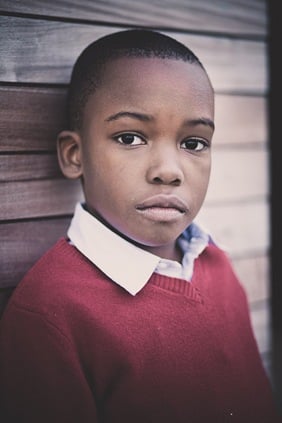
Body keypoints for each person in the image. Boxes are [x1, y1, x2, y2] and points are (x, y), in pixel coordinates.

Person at [0, 28, 280, 423]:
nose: (169, 171)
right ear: (75, 155)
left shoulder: (217, 265)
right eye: (130, 137)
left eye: (194, 143)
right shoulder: (49, 315)